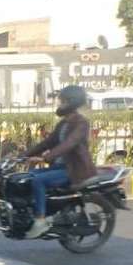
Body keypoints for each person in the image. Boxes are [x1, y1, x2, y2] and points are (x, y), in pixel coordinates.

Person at [23, 85, 97, 238]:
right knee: (28, 177)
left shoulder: (81, 123)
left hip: (74, 170)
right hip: (60, 167)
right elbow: (47, 142)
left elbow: (69, 143)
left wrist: (45, 158)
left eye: (61, 101)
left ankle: (40, 220)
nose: (59, 104)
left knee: (38, 180)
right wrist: (22, 155)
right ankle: (37, 211)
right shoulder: (64, 123)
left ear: (71, 102)